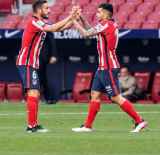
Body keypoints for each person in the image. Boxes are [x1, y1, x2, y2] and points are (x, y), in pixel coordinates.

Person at [71, 3, 148, 133]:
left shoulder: (106, 24)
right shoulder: (107, 25)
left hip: (108, 67)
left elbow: (86, 34)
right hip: (102, 67)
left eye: (99, 12)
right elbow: (91, 30)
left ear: (106, 13)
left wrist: (73, 20)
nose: (97, 14)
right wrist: (82, 18)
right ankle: (88, 126)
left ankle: (139, 121)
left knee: (115, 97)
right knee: (94, 95)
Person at [16, 0, 80, 133]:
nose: (49, 11)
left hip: (32, 63)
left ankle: (33, 124)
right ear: (39, 10)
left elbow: (61, 28)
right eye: (46, 8)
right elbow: (53, 28)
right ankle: (31, 126)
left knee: (35, 93)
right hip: (26, 62)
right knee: (33, 92)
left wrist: (73, 18)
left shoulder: (40, 24)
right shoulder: (34, 22)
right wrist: (70, 17)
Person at [39, 32, 58, 104]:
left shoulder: (45, 26)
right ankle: (46, 98)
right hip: (34, 56)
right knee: (39, 78)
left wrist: (54, 55)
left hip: (43, 57)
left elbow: (52, 41)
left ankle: (49, 98)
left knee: (43, 78)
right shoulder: (33, 25)